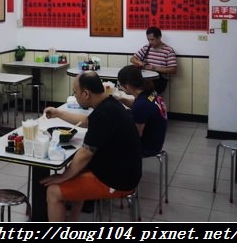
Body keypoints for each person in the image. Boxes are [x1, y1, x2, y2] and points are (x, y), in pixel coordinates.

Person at [40, 71, 142, 222]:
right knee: (77, 170)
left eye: (75, 93)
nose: (75, 96)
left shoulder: (104, 113)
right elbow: (88, 121)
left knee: (53, 191)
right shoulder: (109, 104)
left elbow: (85, 153)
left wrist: (64, 176)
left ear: (86, 93)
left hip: (118, 180)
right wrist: (59, 113)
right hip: (125, 170)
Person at [116, 65, 168, 157]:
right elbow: (138, 105)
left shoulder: (141, 105)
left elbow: (135, 136)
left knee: (106, 142)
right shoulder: (151, 94)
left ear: (127, 86)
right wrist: (121, 99)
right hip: (156, 139)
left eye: (121, 85)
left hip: (147, 147)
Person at [130, 26, 177, 94]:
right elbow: (132, 59)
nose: (150, 42)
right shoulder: (147, 47)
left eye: (152, 39)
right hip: (145, 79)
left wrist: (155, 68)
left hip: (158, 81)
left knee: (150, 99)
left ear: (159, 37)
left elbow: (173, 70)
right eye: (148, 39)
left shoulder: (168, 50)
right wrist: (139, 62)